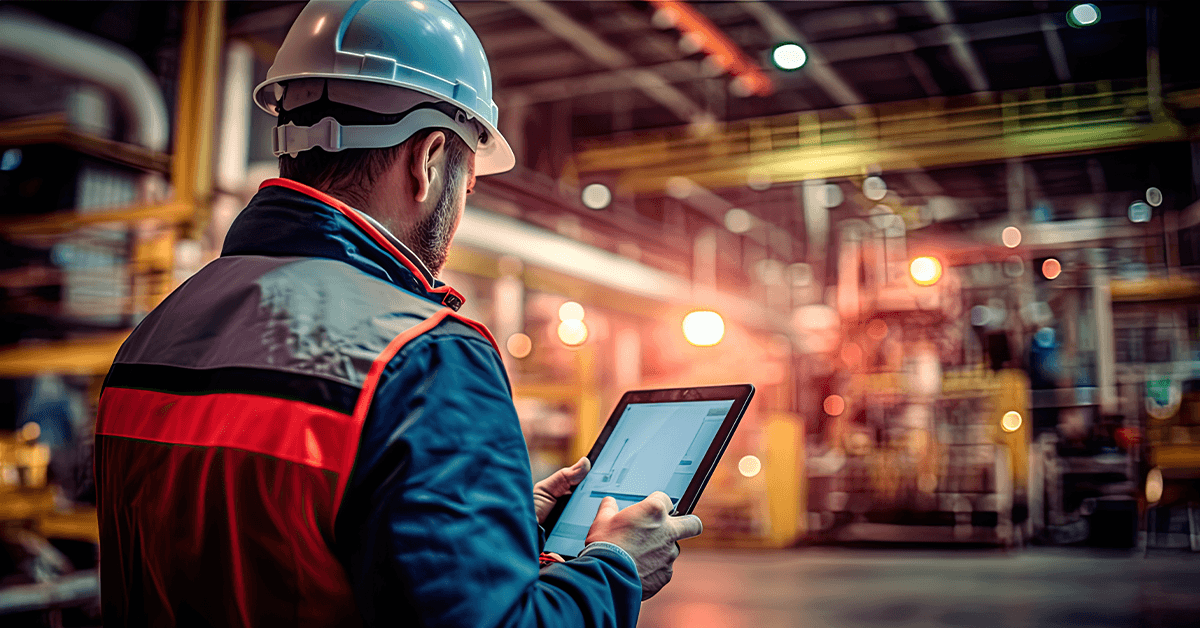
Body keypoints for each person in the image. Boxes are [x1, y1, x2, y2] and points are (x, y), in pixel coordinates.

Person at [93, 0, 702, 626]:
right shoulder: (423, 357)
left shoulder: (152, 334)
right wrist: (612, 570)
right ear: (430, 157)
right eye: (467, 184)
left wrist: (503, 519)